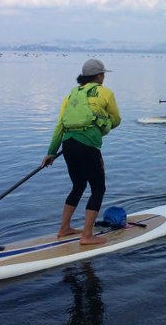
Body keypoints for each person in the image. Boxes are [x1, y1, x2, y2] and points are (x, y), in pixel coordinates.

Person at [42, 59, 121, 245]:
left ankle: (64, 229)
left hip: (68, 145)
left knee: (78, 186)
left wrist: (51, 152)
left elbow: (60, 125)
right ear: (100, 75)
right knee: (98, 188)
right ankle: (87, 235)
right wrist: (104, 125)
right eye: (104, 74)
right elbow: (116, 120)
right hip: (88, 145)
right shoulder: (106, 93)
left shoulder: (71, 95)